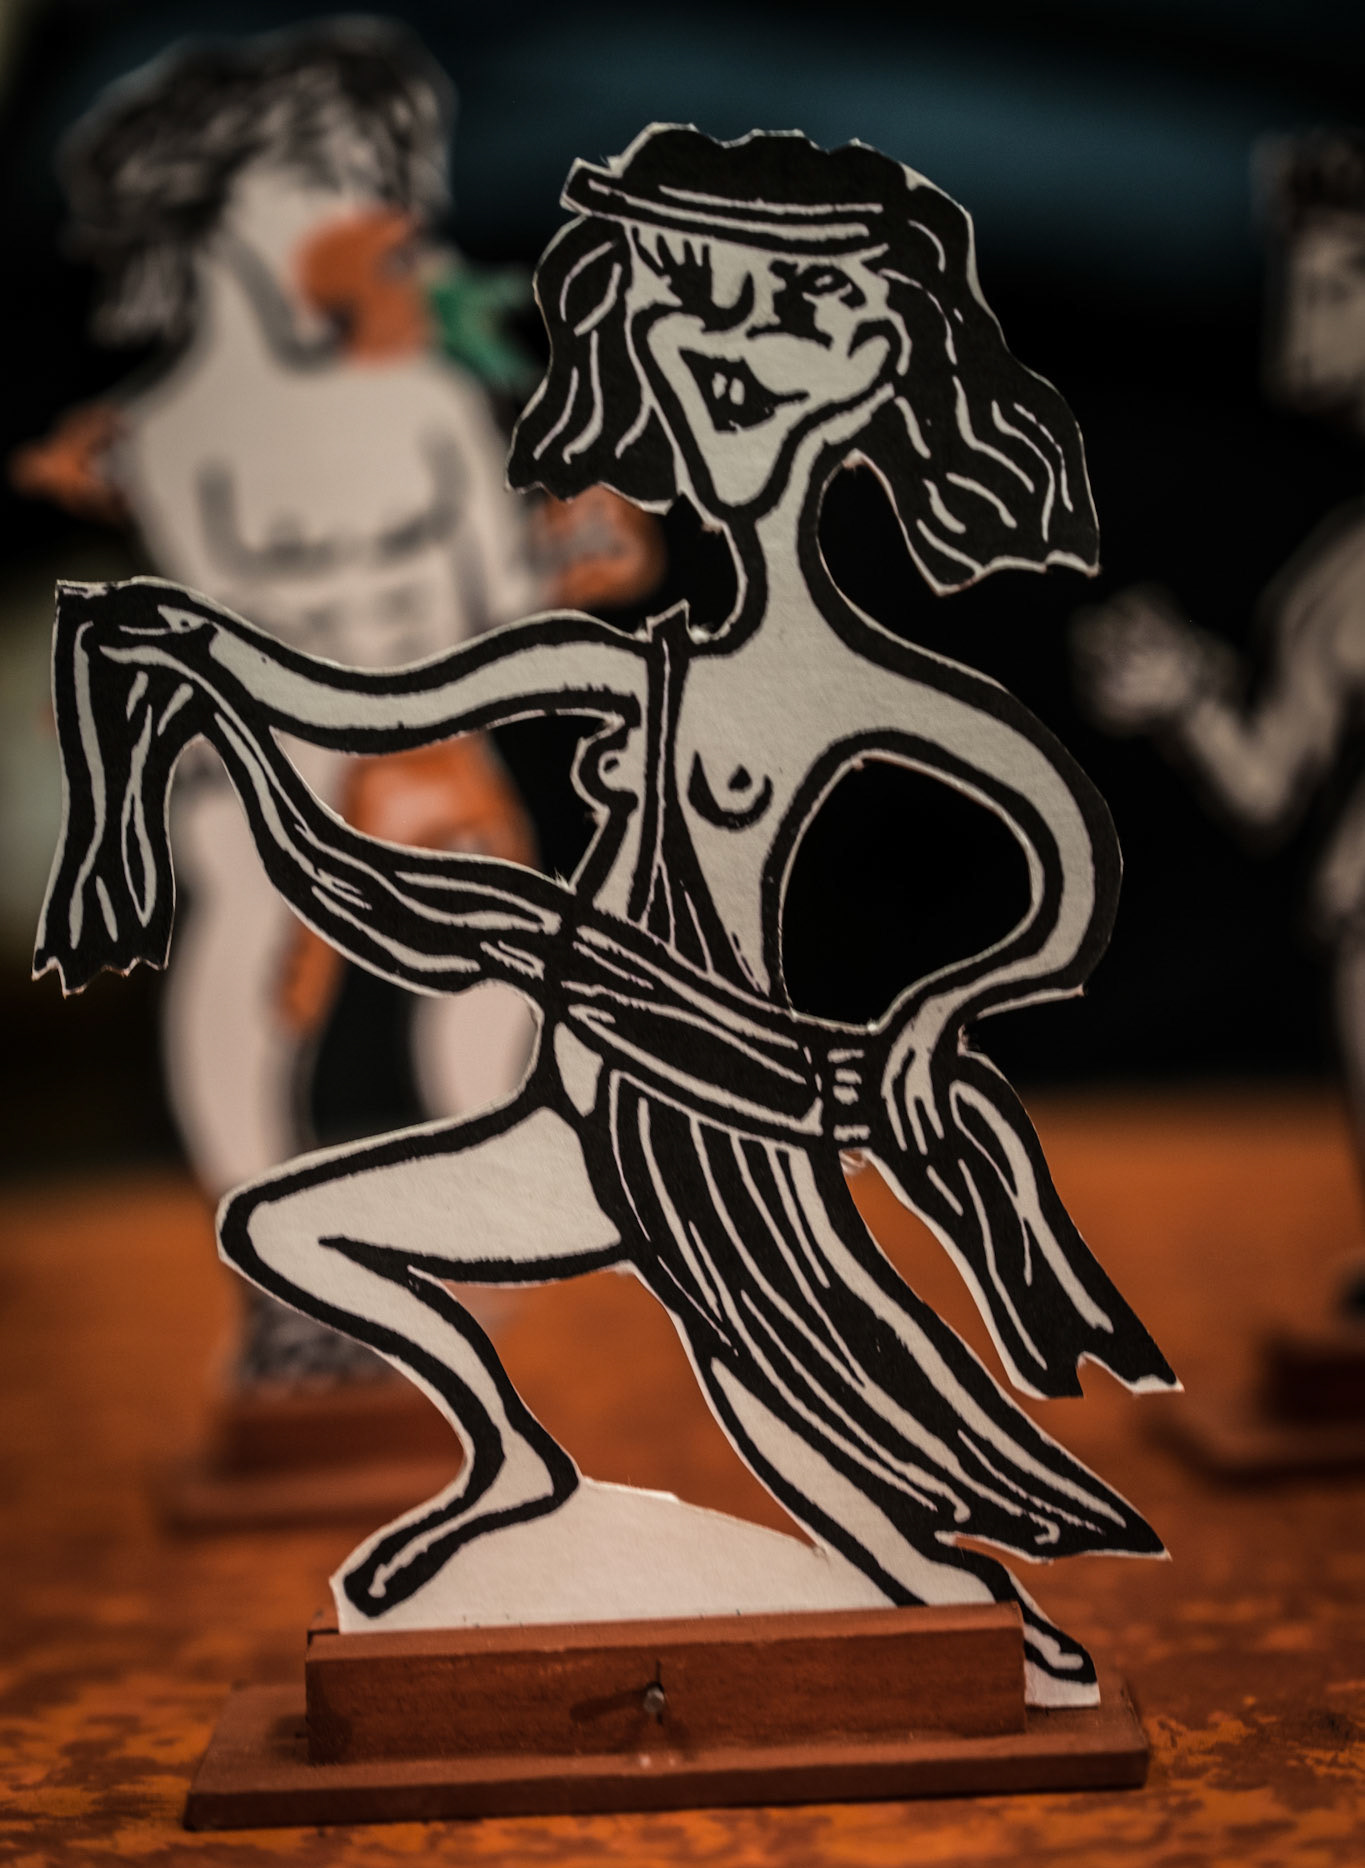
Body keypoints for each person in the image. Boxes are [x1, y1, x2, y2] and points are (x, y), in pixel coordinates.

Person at [37, 126, 1174, 1705]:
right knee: (292, 1227)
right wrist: (197, 655)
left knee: (808, 1423)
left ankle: (987, 1634)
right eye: (687, 314)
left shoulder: (852, 684)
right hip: (578, 1123)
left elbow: (1060, 863)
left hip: (715, 1140)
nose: (717, 361)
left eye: (780, 321)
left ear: (868, 370)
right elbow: (364, 703)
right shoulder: (624, 664)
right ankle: (512, 1461)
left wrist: (940, 1011)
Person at [16, 21, 656, 1383]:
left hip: (428, 733)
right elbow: (221, 612)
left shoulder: (428, 400)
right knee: (250, 953)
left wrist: (566, 560)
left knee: (499, 952)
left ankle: (487, 1233)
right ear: (215, 202)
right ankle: (278, 1268)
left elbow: (490, 594)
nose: (361, 216)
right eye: (320, 178)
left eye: (376, 182)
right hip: (267, 754)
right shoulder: (172, 432)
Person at [1077, 131, 1365, 1190]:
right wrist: (1190, 698)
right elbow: (1267, 785)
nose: (1305, 320)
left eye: (1339, 287)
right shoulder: (1328, 585)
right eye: (1301, 286)